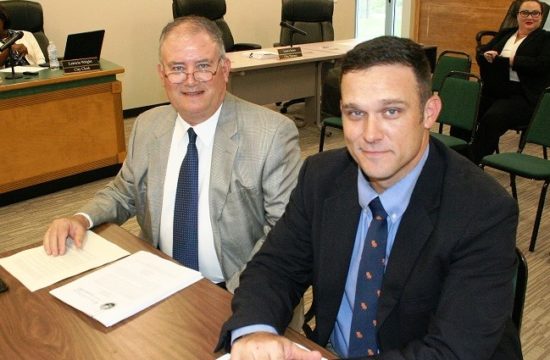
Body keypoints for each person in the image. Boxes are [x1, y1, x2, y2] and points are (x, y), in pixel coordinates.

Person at [217, 36, 522, 360]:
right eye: (355, 113)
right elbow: (275, 267)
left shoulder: (483, 210)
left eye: (391, 111)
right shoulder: (321, 178)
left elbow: (453, 351)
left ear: (429, 112)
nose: (370, 134)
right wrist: (255, 331)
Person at [42, 16, 301, 294]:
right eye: (177, 68)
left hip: (234, 289)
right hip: (159, 281)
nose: (190, 81)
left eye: (203, 66)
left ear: (225, 69)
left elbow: (283, 232)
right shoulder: (148, 125)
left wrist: (230, 298)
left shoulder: (272, 134)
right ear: (162, 74)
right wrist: (81, 219)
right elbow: (123, 192)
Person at [469, 0, 550, 163]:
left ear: (541, 17)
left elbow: (542, 64)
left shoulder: (545, 38)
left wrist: (513, 61)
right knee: (466, 110)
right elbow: (481, 52)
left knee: (492, 118)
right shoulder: (507, 33)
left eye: (535, 13)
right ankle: (459, 153)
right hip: (497, 89)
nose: (530, 17)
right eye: (525, 12)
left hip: (524, 95)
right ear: (517, 15)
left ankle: (473, 162)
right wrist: (486, 55)